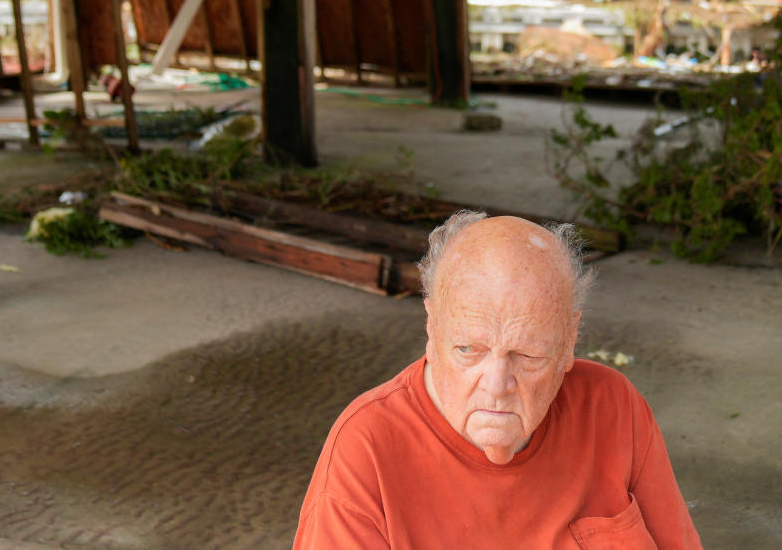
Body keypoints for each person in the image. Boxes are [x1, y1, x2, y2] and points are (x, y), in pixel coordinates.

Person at [293, 211, 702, 549]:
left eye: (527, 355)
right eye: (469, 350)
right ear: (432, 326)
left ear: (569, 340)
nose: (496, 384)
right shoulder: (367, 449)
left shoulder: (614, 406)